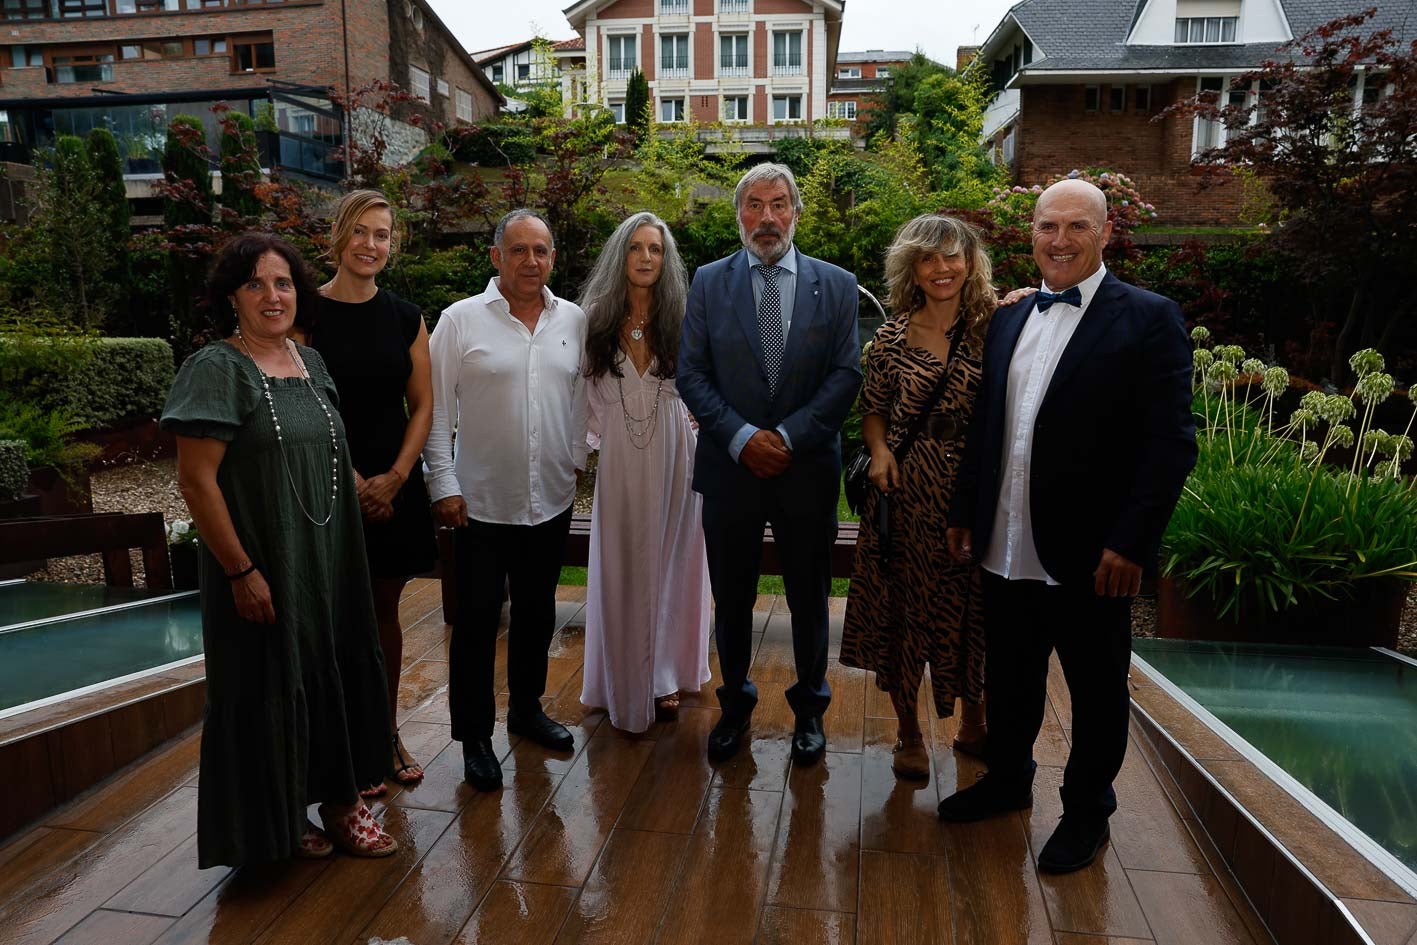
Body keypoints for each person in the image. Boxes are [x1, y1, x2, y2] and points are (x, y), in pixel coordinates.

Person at [939, 179, 1197, 874]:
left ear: (1104, 232)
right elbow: (986, 427)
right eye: (1047, 225)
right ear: (1030, 233)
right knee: (1012, 673)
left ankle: (1087, 808)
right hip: (1006, 537)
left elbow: (1170, 443)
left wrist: (1130, 542)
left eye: (1075, 226)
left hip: (1092, 550)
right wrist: (965, 510)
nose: (1058, 239)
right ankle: (1007, 779)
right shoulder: (1009, 318)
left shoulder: (1148, 317)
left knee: (1096, 686)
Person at [162, 232, 397, 866]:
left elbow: (326, 452)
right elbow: (195, 480)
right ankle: (279, 810)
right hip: (262, 559)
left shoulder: (310, 362)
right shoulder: (215, 368)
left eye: (284, 282)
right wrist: (241, 570)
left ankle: (342, 801)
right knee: (268, 679)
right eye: (255, 284)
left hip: (327, 558)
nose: (273, 296)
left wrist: (372, 491)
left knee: (331, 670)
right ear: (230, 297)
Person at [678, 163, 862, 766]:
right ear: (739, 216)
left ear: (796, 213)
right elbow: (692, 374)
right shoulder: (707, 282)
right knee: (731, 597)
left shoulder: (836, 285)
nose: (766, 218)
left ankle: (810, 710)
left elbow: (844, 377)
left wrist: (783, 437)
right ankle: (734, 708)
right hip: (731, 470)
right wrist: (740, 438)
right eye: (753, 206)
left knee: (810, 595)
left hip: (806, 471)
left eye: (778, 204)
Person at [426, 208, 589, 791]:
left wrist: (579, 452)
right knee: (473, 623)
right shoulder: (460, 321)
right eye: (518, 250)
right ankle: (473, 736)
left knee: (537, 612)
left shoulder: (573, 320)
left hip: (550, 498)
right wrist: (441, 483)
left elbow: (583, 398)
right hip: (478, 504)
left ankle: (526, 708)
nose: (531, 261)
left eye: (541, 250)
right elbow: (435, 409)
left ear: (552, 257)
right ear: (495, 256)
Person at [839, 214, 993, 781]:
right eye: (929, 259)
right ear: (913, 269)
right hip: (905, 495)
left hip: (975, 493)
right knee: (903, 610)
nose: (942, 268)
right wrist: (878, 451)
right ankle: (908, 734)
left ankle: (974, 723)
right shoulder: (890, 337)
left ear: (971, 263)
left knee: (972, 609)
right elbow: (872, 410)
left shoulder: (996, 329)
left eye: (952, 256)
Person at [304, 190, 436, 797]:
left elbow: (425, 404)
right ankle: (337, 745)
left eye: (382, 235)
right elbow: (301, 401)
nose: (371, 245)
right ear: (338, 236)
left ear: (393, 244)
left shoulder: (407, 316)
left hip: (393, 485)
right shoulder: (305, 314)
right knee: (331, 619)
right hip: (325, 487)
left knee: (384, 615)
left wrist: (398, 477)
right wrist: (353, 479)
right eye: (360, 232)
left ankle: (383, 733)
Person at [578, 211, 711, 734]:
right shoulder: (594, 317)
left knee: (672, 562)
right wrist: (589, 443)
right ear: (621, 255)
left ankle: (664, 675)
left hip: (678, 456)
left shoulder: (685, 316)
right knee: (620, 564)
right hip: (620, 458)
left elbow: (706, 384)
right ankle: (619, 678)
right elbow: (582, 393)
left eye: (655, 249)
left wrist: (697, 430)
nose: (646, 258)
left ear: (666, 258)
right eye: (636, 247)